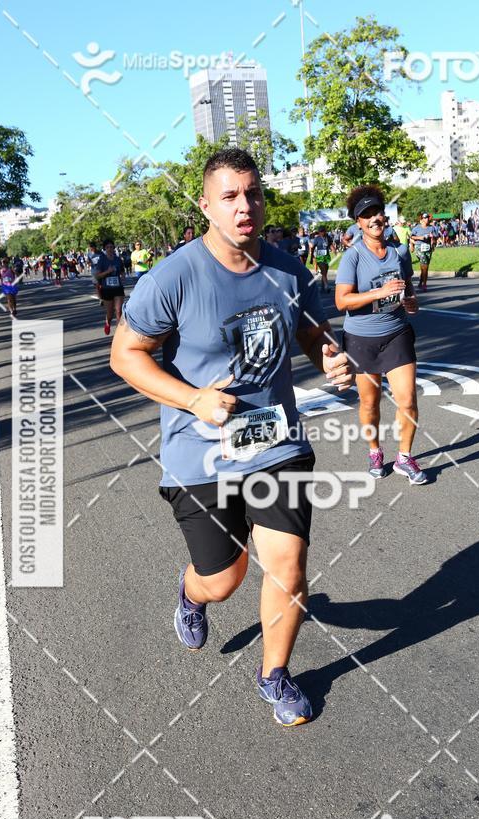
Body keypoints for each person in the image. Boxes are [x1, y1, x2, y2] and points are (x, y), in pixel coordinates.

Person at [110, 148, 353, 727]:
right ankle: (192, 594)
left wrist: (328, 356)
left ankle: (275, 675)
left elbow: (311, 332)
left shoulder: (290, 271)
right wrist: (193, 398)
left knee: (287, 564)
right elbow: (126, 355)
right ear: (206, 206)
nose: (245, 206)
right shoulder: (173, 276)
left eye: (253, 194)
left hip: (276, 443)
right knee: (224, 580)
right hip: (200, 453)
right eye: (230, 196)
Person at [335, 185, 427, 485]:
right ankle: (375, 451)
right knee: (369, 403)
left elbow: (407, 287)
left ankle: (404, 457)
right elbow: (342, 301)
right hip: (361, 339)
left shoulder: (399, 252)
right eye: (367, 215)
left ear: (384, 217)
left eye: (377, 212)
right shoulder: (353, 257)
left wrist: (411, 301)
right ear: (358, 222)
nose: (374, 218)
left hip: (396, 333)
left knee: (408, 399)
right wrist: (378, 292)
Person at [94, 238, 125, 335]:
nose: (110, 249)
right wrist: (108, 271)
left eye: (111, 247)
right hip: (107, 289)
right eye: (108, 247)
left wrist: (122, 276)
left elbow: (122, 271)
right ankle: (108, 322)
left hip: (118, 288)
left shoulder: (118, 259)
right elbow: (97, 276)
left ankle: (118, 334)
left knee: (119, 311)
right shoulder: (102, 260)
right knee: (110, 314)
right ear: (105, 249)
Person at [410, 213, 435, 292]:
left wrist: (433, 241)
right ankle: (425, 284)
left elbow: (435, 237)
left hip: (428, 248)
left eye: (427, 218)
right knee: (425, 265)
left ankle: (421, 281)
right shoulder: (417, 228)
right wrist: (420, 238)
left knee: (425, 267)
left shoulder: (431, 228)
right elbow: (411, 237)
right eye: (425, 218)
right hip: (419, 247)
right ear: (421, 220)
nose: (426, 219)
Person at [310, 225, 332, 293]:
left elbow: (331, 245)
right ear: (319, 232)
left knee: (325, 272)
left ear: (325, 231)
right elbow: (312, 248)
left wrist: (335, 251)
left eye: (323, 231)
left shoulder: (328, 237)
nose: (322, 233)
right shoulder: (317, 239)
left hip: (326, 257)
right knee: (323, 271)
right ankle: (326, 286)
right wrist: (311, 258)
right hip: (319, 257)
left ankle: (323, 287)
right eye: (320, 231)